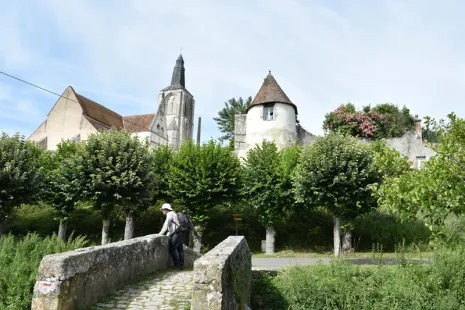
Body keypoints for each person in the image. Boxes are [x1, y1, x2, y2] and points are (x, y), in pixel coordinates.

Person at [159, 203, 184, 269]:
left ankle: (177, 265)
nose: (162, 211)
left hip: (176, 234)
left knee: (172, 249)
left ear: (166, 210)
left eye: (163, 210)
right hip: (180, 232)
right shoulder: (174, 213)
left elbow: (166, 225)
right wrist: (168, 234)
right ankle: (181, 265)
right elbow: (172, 227)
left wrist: (159, 234)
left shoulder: (169, 214)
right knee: (180, 250)